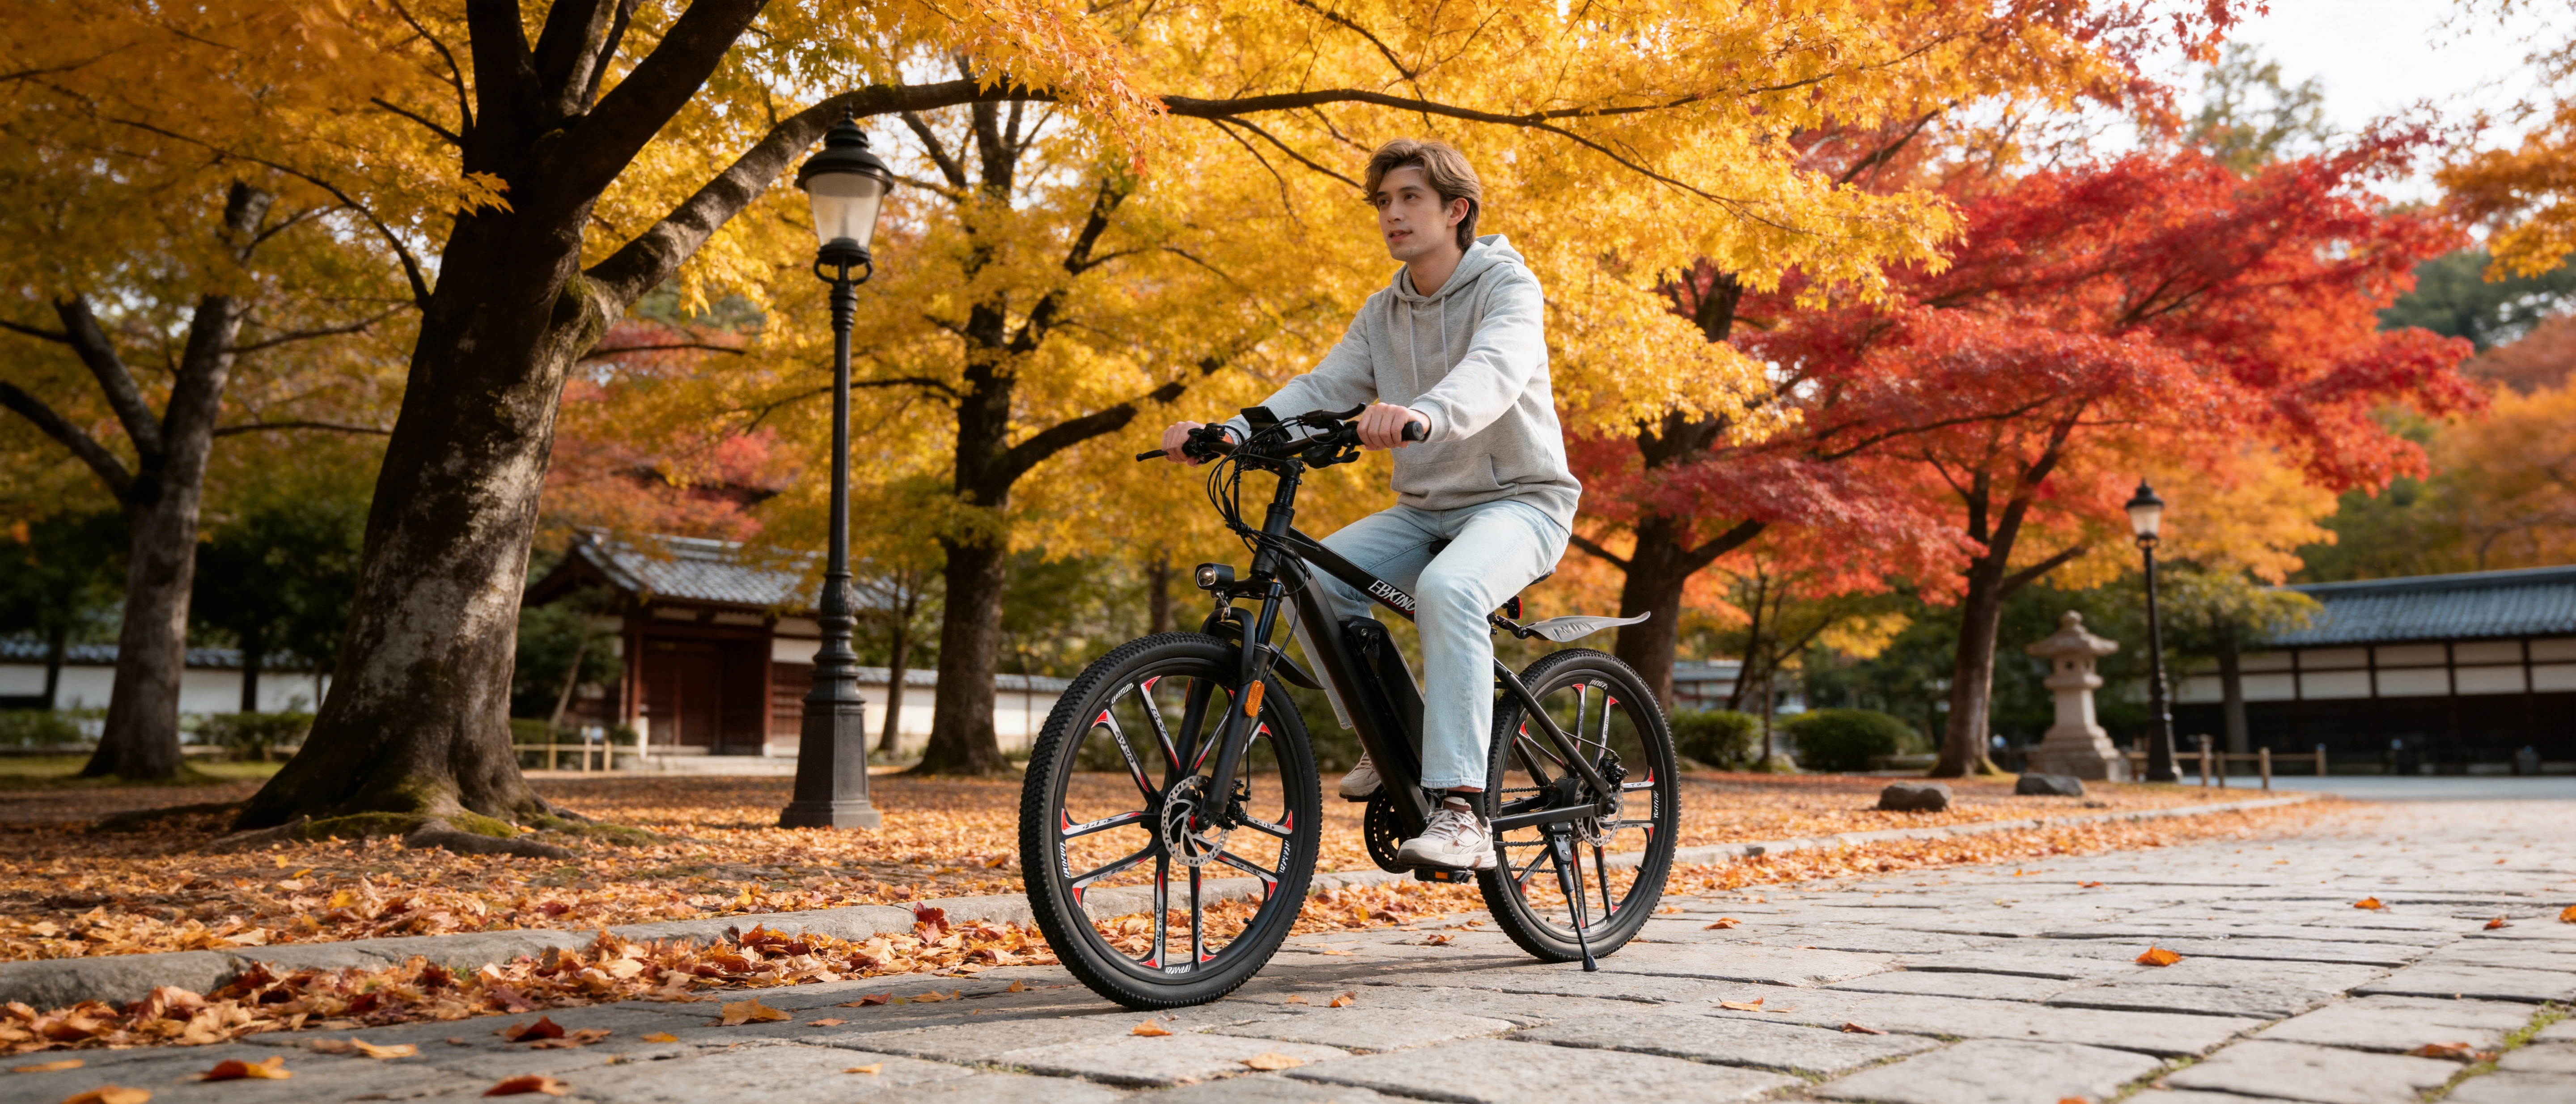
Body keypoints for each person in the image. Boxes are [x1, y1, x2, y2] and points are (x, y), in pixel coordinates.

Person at [1160, 139, 1578, 870]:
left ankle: (1460, 811)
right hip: (1425, 508)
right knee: (1310, 584)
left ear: (1457, 210)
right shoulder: (1382, 311)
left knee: (1453, 589)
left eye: (1410, 197)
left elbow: (1496, 368)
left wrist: (1423, 415)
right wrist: (1230, 428)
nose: (1392, 213)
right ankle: (1391, 742)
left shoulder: (1507, 287)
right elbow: (1322, 388)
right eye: (1383, 201)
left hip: (1521, 502)